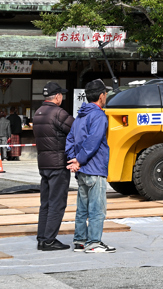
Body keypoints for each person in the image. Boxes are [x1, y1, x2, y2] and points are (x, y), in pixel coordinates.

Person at [66, 79, 114, 253]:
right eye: (105, 93)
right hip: (95, 168)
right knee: (97, 209)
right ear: (101, 96)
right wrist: (79, 160)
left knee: (82, 208)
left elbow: (70, 139)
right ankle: (94, 243)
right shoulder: (99, 116)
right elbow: (93, 142)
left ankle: (80, 240)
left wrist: (74, 160)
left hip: (82, 171)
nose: (106, 96)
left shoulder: (80, 116)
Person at [34, 82, 74, 251]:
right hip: (58, 164)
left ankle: (42, 238)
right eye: (61, 95)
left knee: (46, 203)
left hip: (44, 164)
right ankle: (49, 240)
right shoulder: (58, 113)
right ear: (57, 96)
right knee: (57, 203)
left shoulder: (38, 113)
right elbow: (75, 128)